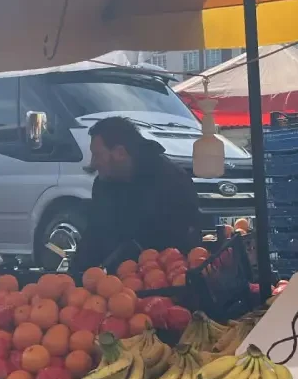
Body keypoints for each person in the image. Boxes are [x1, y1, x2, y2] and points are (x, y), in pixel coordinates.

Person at [69, 116, 201, 273]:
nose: (93, 163)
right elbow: (95, 234)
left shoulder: (172, 182)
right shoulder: (103, 184)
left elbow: (178, 241)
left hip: (162, 278)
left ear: (120, 153)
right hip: (112, 285)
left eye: (97, 155)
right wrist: (75, 275)